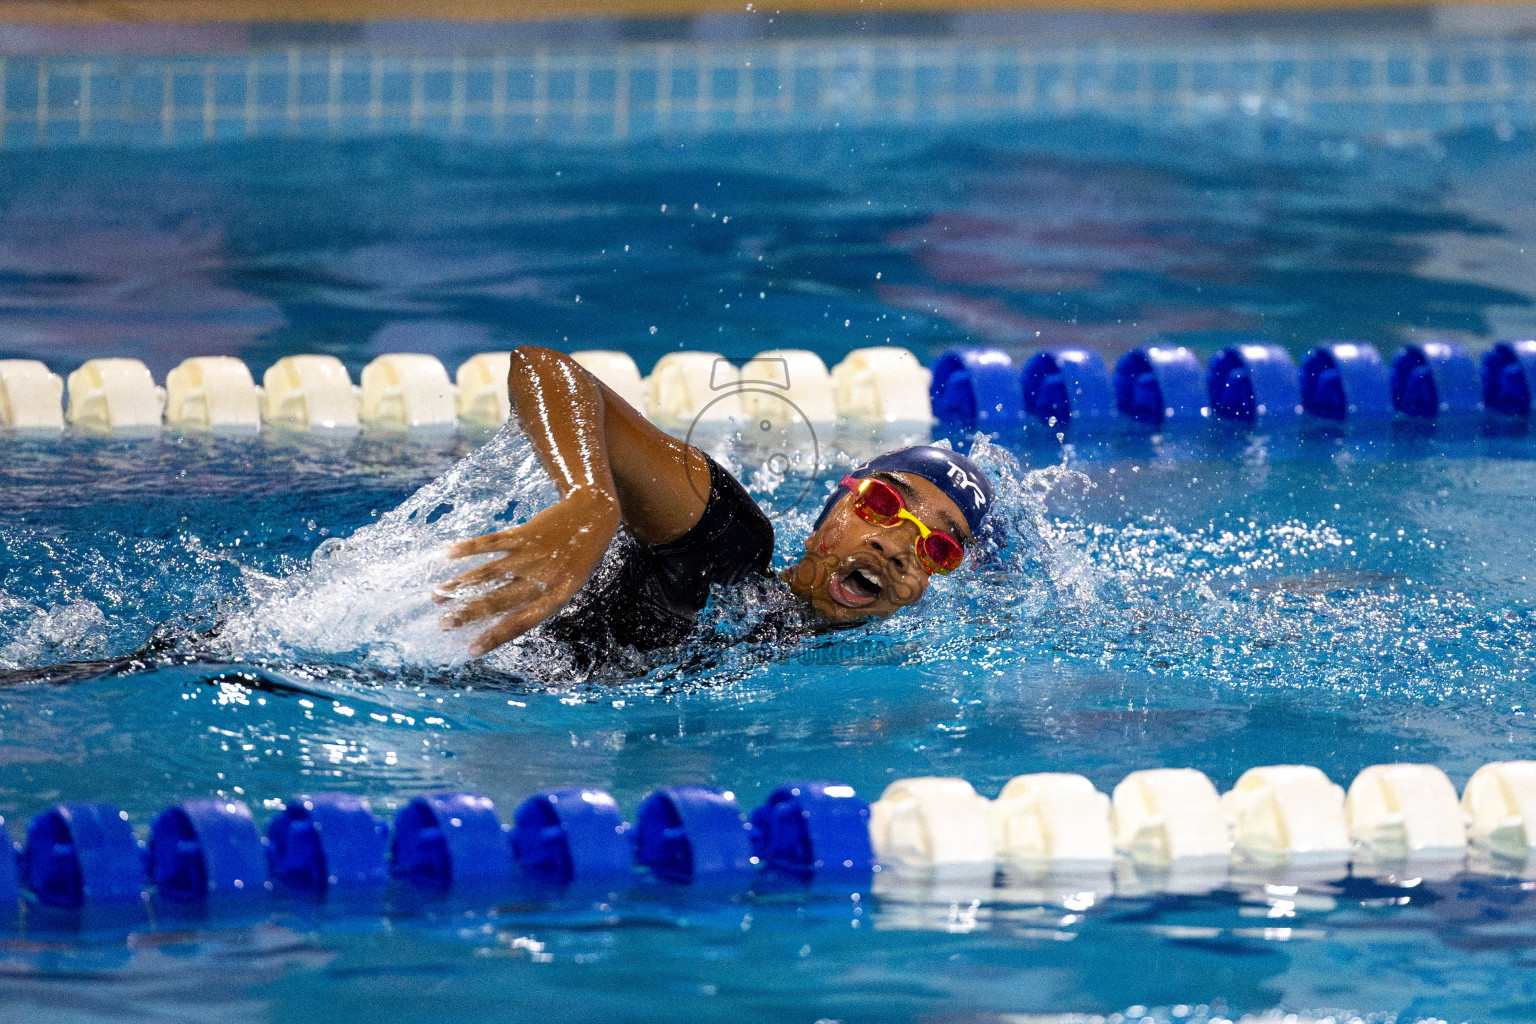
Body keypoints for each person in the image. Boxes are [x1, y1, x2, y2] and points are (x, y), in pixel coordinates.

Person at [433, 346, 994, 667]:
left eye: (937, 548)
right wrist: (591, 504)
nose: (897, 548)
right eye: (882, 502)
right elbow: (544, 369)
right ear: (832, 509)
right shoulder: (726, 544)